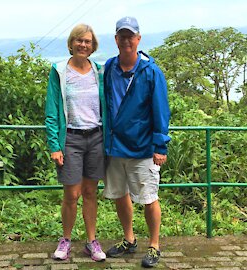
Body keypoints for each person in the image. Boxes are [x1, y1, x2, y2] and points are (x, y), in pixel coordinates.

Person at [102, 16, 171, 268]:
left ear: (138, 39)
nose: (126, 40)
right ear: (116, 39)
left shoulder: (151, 72)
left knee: (149, 197)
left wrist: (160, 146)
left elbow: (161, 110)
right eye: (122, 36)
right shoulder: (109, 67)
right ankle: (129, 239)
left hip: (142, 148)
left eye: (131, 36)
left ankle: (154, 245)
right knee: (121, 195)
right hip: (115, 146)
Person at [44, 23, 107, 262]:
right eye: (79, 40)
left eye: (87, 41)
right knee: (71, 193)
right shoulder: (59, 71)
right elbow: (52, 111)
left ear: (93, 47)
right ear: (71, 43)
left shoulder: (99, 71)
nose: (83, 44)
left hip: (96, 137)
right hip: (69, 138)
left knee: (91, 192)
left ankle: (91, 242)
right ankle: (66, 240)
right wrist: (54, 145)